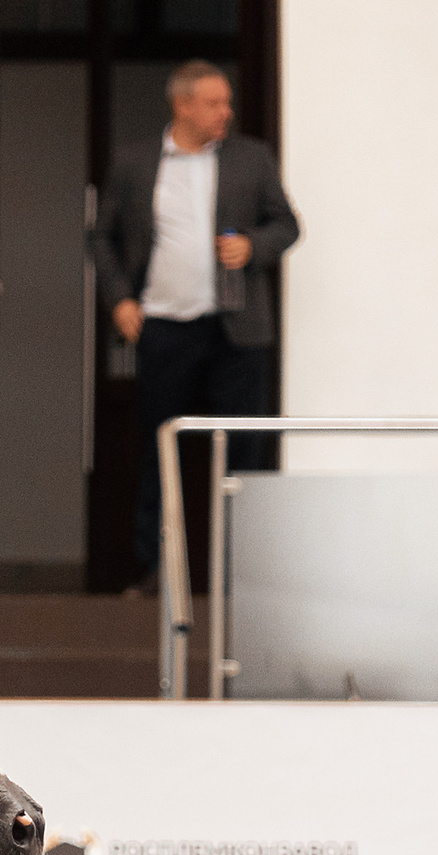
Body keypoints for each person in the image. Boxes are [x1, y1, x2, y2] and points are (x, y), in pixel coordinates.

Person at [89, 59, 299, 594]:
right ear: (182, 105)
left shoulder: (251, 159)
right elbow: (101, 237)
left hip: (238, 333)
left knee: (242, 453)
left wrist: (254, 246)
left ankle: (240, 573)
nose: (226, 112)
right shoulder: (136, 163)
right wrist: (120, 300)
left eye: (227, 102)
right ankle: (159, 572)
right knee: (162, 451)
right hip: (164, 328)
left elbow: (287, 224)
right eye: (214, 102)